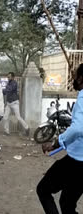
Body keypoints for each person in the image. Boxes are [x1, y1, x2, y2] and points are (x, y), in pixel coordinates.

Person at [36, 63, 83, 214]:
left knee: (43, 190)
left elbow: (77, 129)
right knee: (67, 204)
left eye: (75, 76)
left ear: (81, 78)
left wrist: (56, 143)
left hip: (78, 161)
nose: (73, 79)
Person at [3, 72, 30, 136]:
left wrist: (2, 90)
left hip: (14, 102)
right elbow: (5, 92)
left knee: (18, 117)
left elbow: (9, 90)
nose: (8, 78)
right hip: (9, 103)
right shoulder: (8, 83)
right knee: (5, 117)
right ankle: (7, 131)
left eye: (9, 77)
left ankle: (27, 128)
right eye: (8, 77)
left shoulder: (14, 83)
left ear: (13, 77)